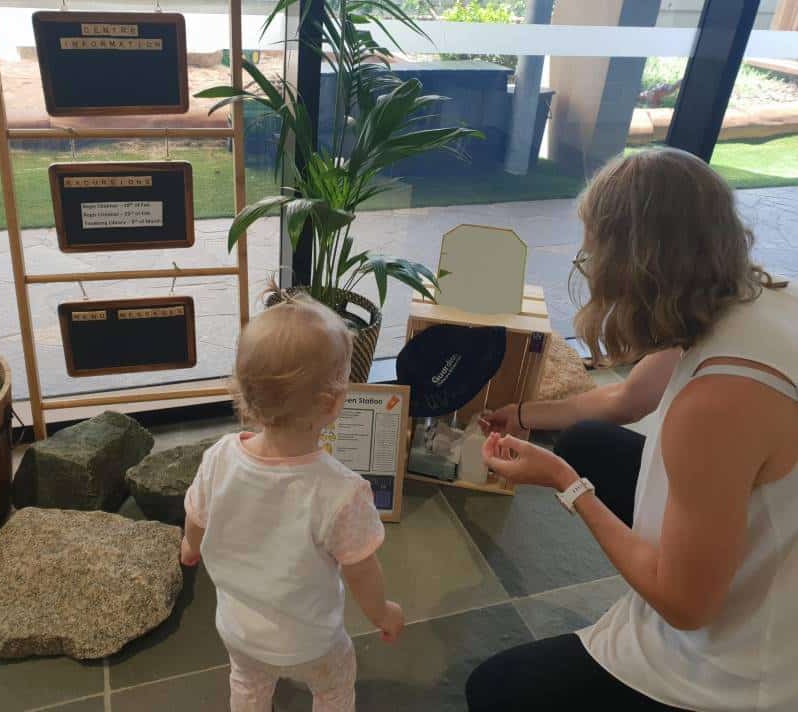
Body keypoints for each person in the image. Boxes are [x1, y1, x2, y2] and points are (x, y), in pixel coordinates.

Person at [466, 148, 797, 711]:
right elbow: (625, 397)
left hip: (743, 672)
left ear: (632, 268)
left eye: (592, 253)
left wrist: (568, 485)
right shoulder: (760, 298)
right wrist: (521, 414)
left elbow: (686, 606)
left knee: (493, 691)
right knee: (587, 439)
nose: (588, 267)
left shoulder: (716, 404)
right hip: (766, 554)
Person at [180, 294, 404, 712]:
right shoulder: (341, 491)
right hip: (312, 642)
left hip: (239, 631)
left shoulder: (220, 457)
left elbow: (196, 518)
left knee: (247, 682)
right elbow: (361, 570)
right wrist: (382, 612)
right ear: (333, 402)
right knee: (334, 685)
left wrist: (191, 548)